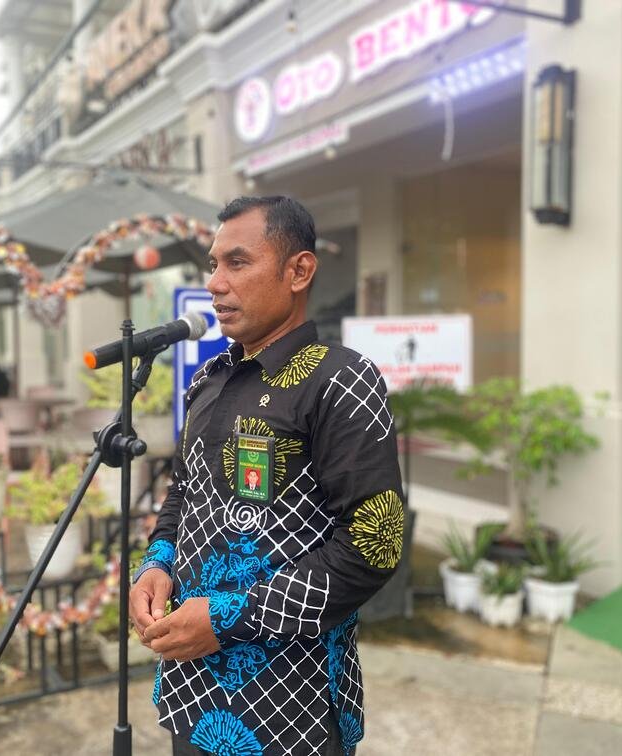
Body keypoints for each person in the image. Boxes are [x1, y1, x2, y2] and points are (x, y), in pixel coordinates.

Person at [130, 196, 406, 755]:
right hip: (193, 693)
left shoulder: (340, 380)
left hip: (291, 707)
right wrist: (156, 564)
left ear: (298, 271)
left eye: (238, 262)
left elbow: (373, 547)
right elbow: (185, 492)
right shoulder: (208, 381)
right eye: (213, 265)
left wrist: (229, 617)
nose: (215, 283)